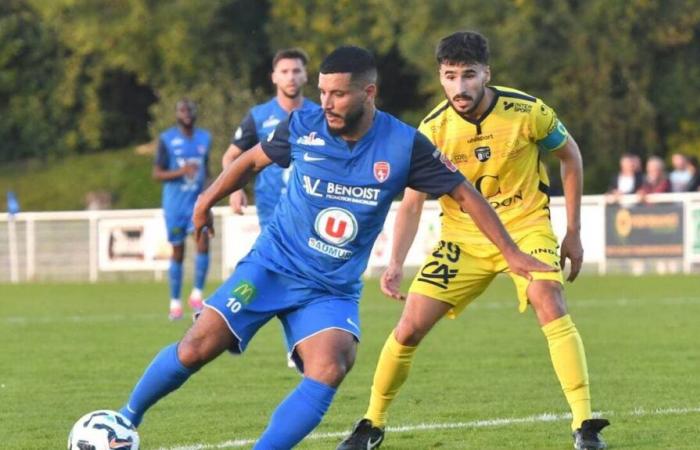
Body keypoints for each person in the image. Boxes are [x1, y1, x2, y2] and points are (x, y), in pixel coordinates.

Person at [118, 46, 551, 449]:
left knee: (331, 364)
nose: (325, 103)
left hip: (330, 288)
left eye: (338, 94)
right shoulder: (302, 127)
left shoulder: (403, 144)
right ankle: (124, 419)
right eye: (322, 92)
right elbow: (251, 160)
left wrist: (512, 253)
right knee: (197, 346)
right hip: (272, 267)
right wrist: (203, 202)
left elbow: (465, 193)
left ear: (369, 92)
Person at [338, 31, 610, 450]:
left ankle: (583, 423)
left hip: (525, 227)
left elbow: (569, 154)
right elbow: (411, 203)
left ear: (487, 73)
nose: (460, 87)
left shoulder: (526, 111)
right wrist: (395, 261)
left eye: (469, 75)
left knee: (549, 300)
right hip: (462, 241)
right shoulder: (430, 130)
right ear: (440, 77)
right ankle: (371, 423)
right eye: (450, 76)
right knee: (408, 328)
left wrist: (572, 232)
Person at [223, 48, 318, 228]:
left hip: (310, 207)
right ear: (274, 77)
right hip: (271, 207)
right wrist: (234, 190)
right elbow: (229, 156)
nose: (291, 77)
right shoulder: (259, 115)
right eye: (284, 71)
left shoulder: (319, 115)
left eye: (296, 71)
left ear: (305, 76)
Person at [153, 99, 212, 320]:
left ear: (195, 113)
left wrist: (209, 198)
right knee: (178, 252)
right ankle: (175, 302)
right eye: (182, 110)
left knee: (204, 242)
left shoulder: (205, 138)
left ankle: (197, 294)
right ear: (177, 114)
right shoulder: (167, 140)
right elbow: (157, 174)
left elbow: (206, 172)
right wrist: (181, 171)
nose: (186, 113)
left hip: (196, 204)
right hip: (175, 206)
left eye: (190, 109)